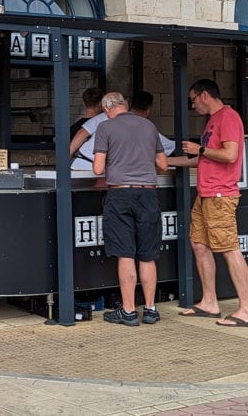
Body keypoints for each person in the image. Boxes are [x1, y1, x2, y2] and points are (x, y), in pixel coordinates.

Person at [167, 79, 248, 328]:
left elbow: (229, 155)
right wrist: (170, 162)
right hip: (206, 194)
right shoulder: (213, 121)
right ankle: (209, 302)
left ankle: (247, 310)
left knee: (229, 248)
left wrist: (201, 149)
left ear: (204, 95)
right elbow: (204, 160)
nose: (193, 105)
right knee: (199, 244)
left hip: (220, 195)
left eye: (193, 99)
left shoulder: (228, 117)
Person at [92, 92, 169, 326]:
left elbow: (97, 168)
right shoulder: (148, 126)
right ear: (125, 105)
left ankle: (128, 312)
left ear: (106, 109)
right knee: (147, 254)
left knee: (126, 254)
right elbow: (163, 165)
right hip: (148, 193)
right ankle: (150, 309)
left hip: (120, 194)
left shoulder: (106, 128)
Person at [129, 90, 176, 157]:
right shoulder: (146, 127)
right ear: (148, 110)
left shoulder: (117, 123)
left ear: (130, 105)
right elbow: (170, 146)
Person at [70, 87, 106, 171]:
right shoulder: (103, 122)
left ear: (83, 103)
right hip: (92, 166)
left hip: (76, 164)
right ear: (101, 104)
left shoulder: (74, 127)